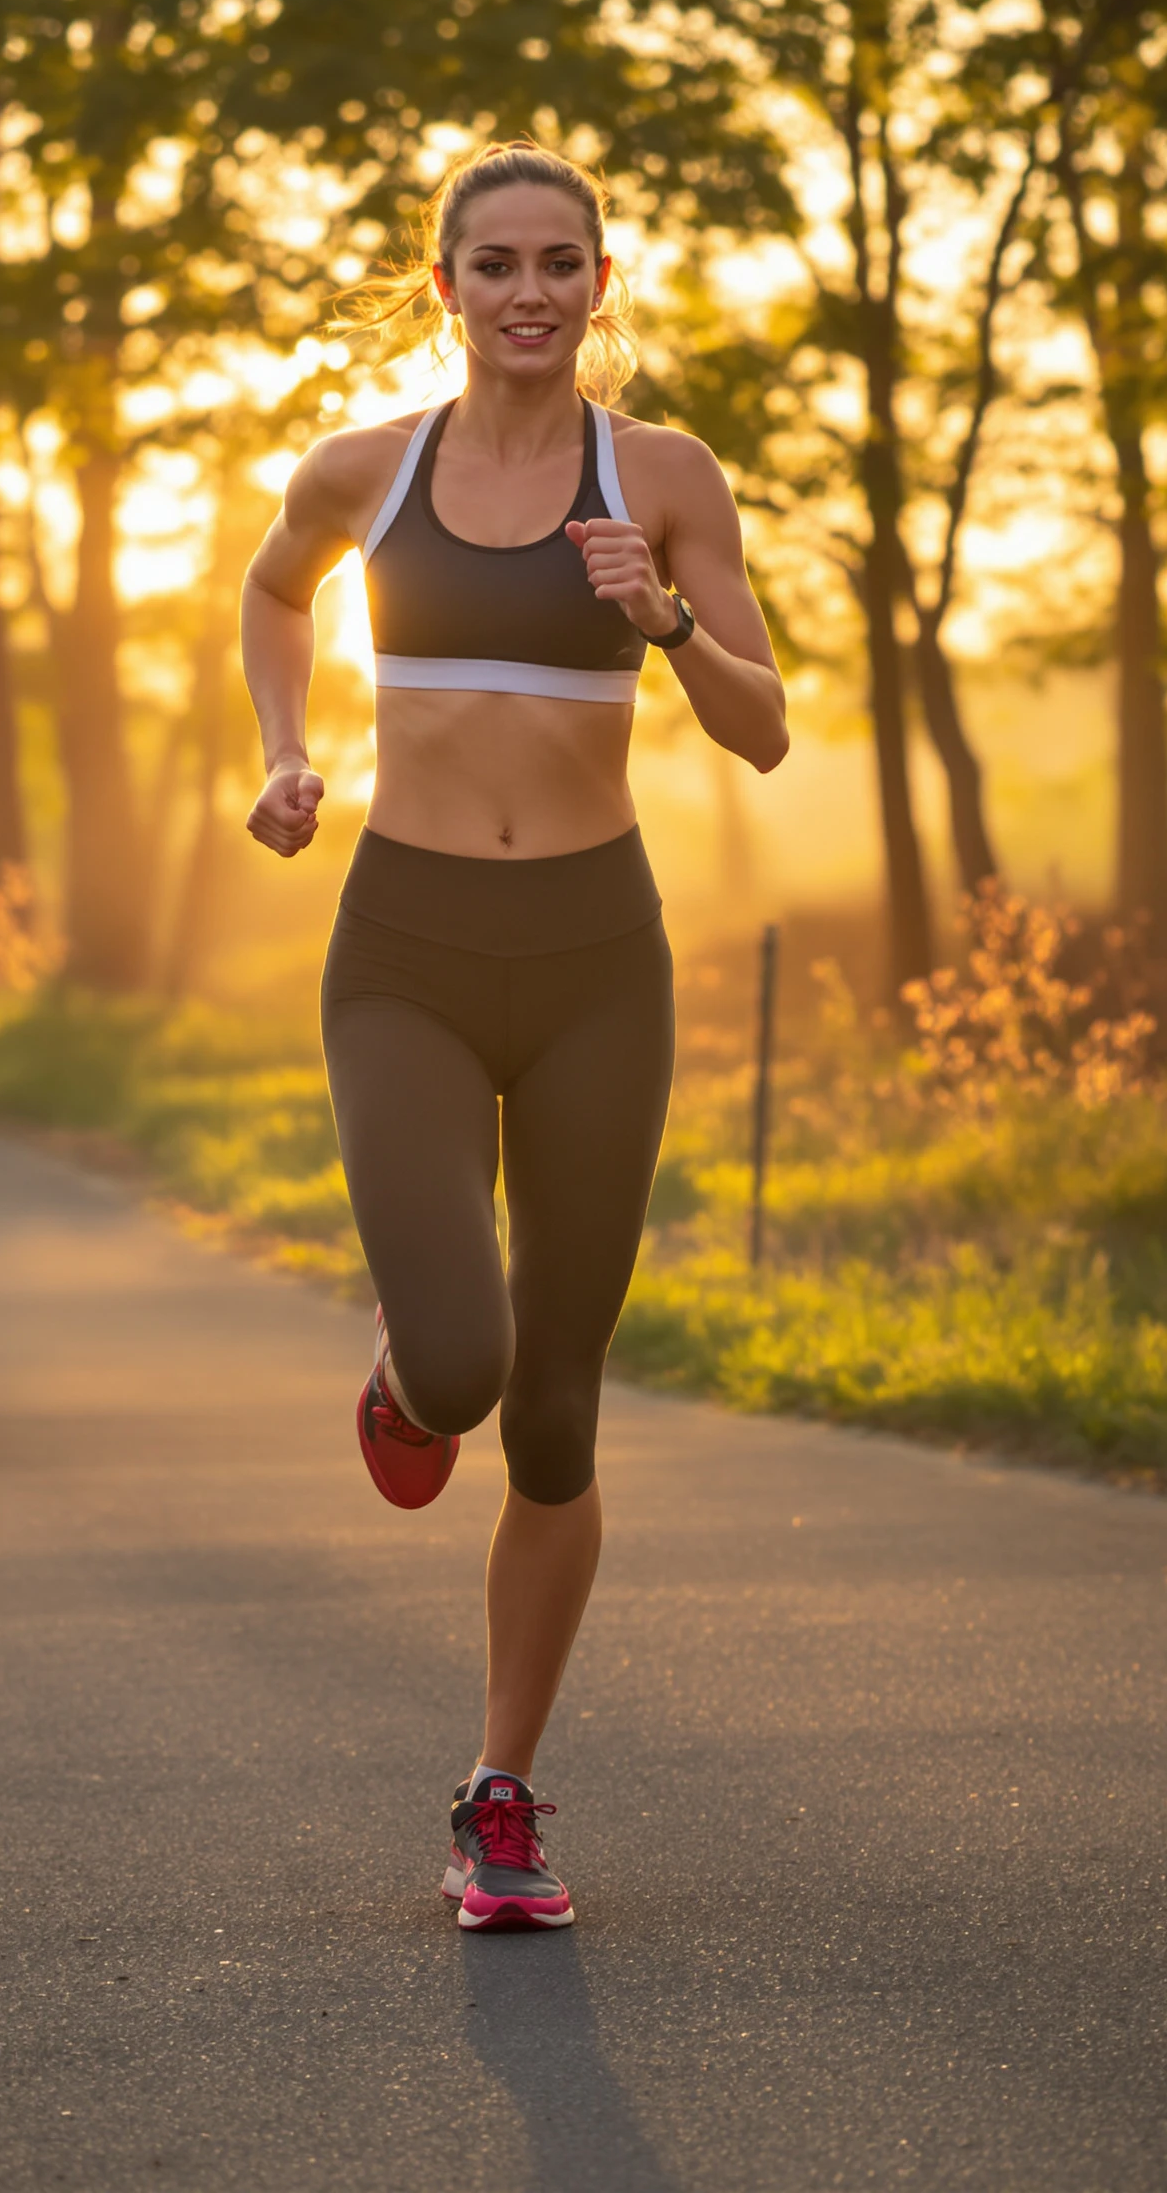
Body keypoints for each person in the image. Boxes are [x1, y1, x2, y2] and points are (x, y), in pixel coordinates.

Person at [239, 140, 788, 1930]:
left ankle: (501, 1794)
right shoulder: (364, 469)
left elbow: (766, 729)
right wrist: (285, 750)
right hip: (403, 944)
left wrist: (669, 616)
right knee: (463, 1374)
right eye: (497, 263)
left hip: (593, 962)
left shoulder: (666, 480)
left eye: (563, 262)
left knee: (553, 1418)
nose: (531, 290)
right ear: (448, 282)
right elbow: (273, 588)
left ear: (600, 286)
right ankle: (407, 1374)